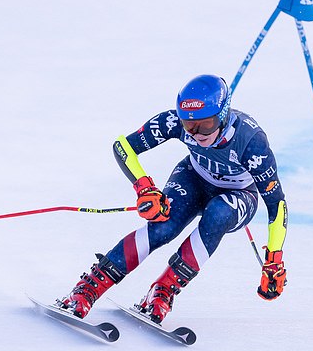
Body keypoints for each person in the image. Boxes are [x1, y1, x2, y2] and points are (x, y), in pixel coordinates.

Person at [58, 74, 288, 323]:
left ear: (222, 115)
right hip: (194, 178)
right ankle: (88, 288)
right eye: (190, 126)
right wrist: (145, 188)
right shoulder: (176, 121)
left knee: (218, 213)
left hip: (239, 193)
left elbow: (277, 204)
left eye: (206, 125)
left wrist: (274, 258)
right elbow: (123, 146)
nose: (197, 133)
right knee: (163, 227)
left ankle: (163, 290)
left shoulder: (252, 142)